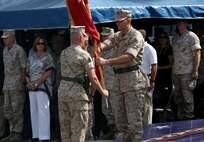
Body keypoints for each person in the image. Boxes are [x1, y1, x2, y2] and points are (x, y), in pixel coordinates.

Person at [97, 10, 148, 142]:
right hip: (118, 82)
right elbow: (107, 44)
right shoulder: (118, 35)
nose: (117, 23)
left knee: (134, 121)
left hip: (132, 81)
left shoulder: (136, 36)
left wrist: (107, 62)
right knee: (121, 120)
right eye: (117, 21)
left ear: (128, 20)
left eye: (120, 21)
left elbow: (129, 57)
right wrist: (99, 46)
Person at [58, 26, 109, 142]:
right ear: (81, 38)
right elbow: (94, 78)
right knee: (78, 129)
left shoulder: (63, 53)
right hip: (78, 96)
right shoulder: (84, 55)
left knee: (65, 129)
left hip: (63, 94)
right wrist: (103, 92)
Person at [25, 36, 55, 141]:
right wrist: (29, 82)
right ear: (35, 44)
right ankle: (36, 135)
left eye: (42, 43)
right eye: (38, 43)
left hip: (43, 86)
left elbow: (49, 71)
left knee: (44, 111)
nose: (40, 45)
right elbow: (26, 72)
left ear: (45, 45)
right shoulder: (31, 57)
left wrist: (37, 83)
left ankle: (45, 136)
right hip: (31, 87)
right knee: (33, 111)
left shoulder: (48, 57)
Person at [172, 20, 201, 120]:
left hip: (187, 72)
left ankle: (189, 119)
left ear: (186, 24)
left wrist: (195, 70)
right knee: (178, 98)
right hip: (176, 72)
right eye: (178, 22)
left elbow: (197, 53)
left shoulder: (191, 36)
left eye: (182, 22)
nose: (179, 24)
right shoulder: (175, 37)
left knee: (187, 98)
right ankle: (180, 119)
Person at [1, 30, 27, 142]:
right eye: (3, 38)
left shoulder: (19, 50)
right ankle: (12, 131)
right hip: (7, 84)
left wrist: (22, 83)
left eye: (6, 37)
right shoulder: (4, 51)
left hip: (17, 84)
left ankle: (17, 133)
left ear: (13, 37)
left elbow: (24, 68)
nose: (4, 39)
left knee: (17, 109)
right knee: (7, 109)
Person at [153, 31, 174, 122]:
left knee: (165, 97)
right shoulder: (157, 49)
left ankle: (167, 118)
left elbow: (171, 64)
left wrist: (160, 68)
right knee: (157, 98)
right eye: (160, 37)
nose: (162, 39)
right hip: (157, 76)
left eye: (164, 37)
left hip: (166, 75)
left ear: (167, 39)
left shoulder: (169, 49)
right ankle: (158, 117)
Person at [138, 29, 158, 125]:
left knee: (146, 107)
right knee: (138, 107)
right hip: (136, 81)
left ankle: (147, 128)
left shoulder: (149, 49)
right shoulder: (136, 48)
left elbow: (154, 66)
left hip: (146, 79)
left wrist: (152, 81)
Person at [0, 37, 6, 140]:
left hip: (1, 85)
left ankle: (1, 133)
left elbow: (2, 70)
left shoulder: (2, 52)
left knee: (1, 111)